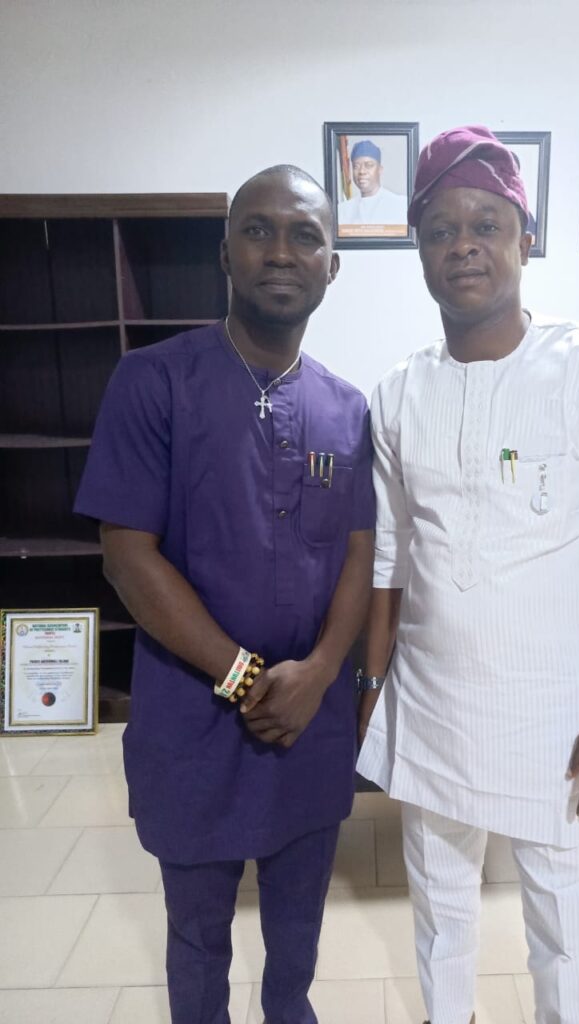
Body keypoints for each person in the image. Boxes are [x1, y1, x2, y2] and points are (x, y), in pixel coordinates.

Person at [356, 125, 579, 1024]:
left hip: (560, 717)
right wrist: (374, 686)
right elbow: (389, 554)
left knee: (569, 927)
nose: (463, 245)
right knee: (439, 907)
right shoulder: (398, 392)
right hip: (432, 703)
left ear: (525, 241)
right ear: (418, 250)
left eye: (486, 225)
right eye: (440, 230)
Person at [74, 165, 375, 1024]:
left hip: (308, 723)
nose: (281, 251)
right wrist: (244, 677)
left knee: (298, 930)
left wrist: (322, 673)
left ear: (331, 265)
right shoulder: (154, 382)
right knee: (199, 936)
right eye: (258, 230)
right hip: (194, 719)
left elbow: (360, 551)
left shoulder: (347, 410)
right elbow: (127, 556)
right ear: (225, 254)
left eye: (305, 235)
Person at [337, 139, 408, 226]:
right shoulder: (343, 210)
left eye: (369, 165)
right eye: (356, 166)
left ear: (380, 170)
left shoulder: (400, 205)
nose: (362, 171)